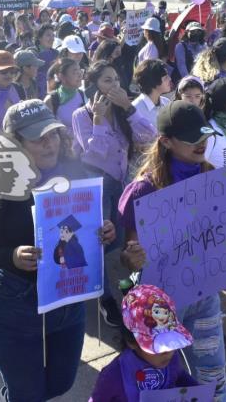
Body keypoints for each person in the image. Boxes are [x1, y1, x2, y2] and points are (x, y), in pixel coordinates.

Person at [0, 100, 116, 402]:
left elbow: (84, 225)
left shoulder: (76, 171)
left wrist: (104, 230)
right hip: (12, 303)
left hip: (67, 297)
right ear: (13, 143)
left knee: (61, 383)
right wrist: (10, 256)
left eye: (53, 134)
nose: (49, 143)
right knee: (26, 395)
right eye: (37, 138)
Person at [117, 102, 226, 401]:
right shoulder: (143, 190)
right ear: (166, 141)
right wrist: (131, 257)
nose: (201, 143)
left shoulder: (210, 174)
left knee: (214, 372)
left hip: (204, 293)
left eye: (204, 135)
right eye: (191, 139)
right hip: (160, 304)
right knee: (160, 376)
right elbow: (129, 256)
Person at [72, 60, 156, 325]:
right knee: (98, 240)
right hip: (95, 184)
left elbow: (149, 137)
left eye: (116, 80)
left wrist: (129, 109)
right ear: (94, 85)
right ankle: (103, 297)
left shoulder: (123, 111)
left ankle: (121, 284)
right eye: (107, 80)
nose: (114, 85)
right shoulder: (81, 115)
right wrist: (97, 121)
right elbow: (94, 152)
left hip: (121, 183)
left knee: (120, 238)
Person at [90, 285, 197, 401]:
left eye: (170, 342)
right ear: (131, 341)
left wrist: (200, 391)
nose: (168, 351)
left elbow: (180, 376)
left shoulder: (172, 360)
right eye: (158, 347)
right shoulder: (113, 376)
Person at [44, 57, 85, 131]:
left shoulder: (82, 94)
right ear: (61, 76)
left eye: (80, 71)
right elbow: (48, 131)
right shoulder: (51, 100)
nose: (80, 75)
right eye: (75, 72)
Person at [131, 59, 172, 129]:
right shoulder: (136, 109)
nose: (170, 79)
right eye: (165, 78)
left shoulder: (167, 102)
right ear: (154, 81)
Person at [32, 23, 59, 98]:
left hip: (53, 91)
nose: (52, 38)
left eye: (53, 35)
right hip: (37, 92)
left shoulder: (56, 53)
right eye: (48, 35)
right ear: (39, 38)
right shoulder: (33, 53)